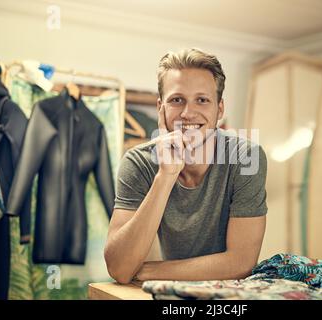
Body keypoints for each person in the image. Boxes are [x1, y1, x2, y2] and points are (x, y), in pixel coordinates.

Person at [104, 48, 268, 284]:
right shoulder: (138, 162)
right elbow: (120, 269)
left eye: (202, 100)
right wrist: (165, 175)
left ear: (219, 108)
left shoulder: (246, 157)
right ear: (161, 107)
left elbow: (241, 263)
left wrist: (146, 271)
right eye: (177, 100)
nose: (188, 113)